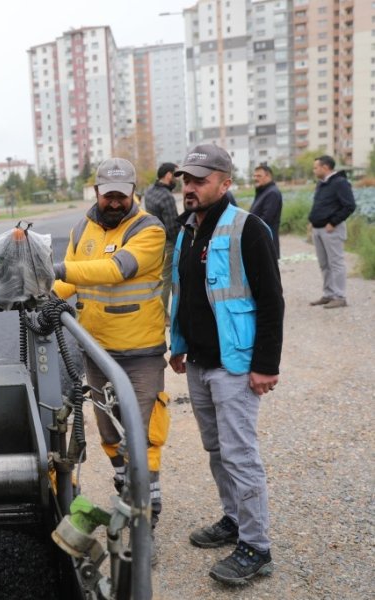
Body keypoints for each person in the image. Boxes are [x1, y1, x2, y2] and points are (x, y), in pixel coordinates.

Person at [168, 144, 284, 586]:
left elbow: (272, 302)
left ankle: (257, 547)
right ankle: (234, 520)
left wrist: (265, 365)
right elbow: (185, 295)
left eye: (200, 179)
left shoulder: (247, 229)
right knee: (217, 451)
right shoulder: (187, 231)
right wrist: (178, 345)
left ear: (225, 182)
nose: (190, 187)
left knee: (240, 455)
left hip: (235, 366)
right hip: (198, 362)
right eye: (187, 180)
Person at [52, 157, 169, 557]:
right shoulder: (82, 227)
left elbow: (117, 269)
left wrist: (60, 268)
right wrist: (44, 299)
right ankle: (128, 494)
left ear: (134, 192)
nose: (115, 202)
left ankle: (145, 521)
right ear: (97, 191)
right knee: (110, 437)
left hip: (140, 355)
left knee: (142, 437)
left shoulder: (149, 230)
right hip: (98, 354)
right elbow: (67, 282)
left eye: (123, 195)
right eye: (109, 194)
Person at [308, 155, 356, 309]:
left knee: (336, 263)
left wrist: (333, 222)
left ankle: (340, 296)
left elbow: (349, 205)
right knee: (324, 264)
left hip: (332, 229)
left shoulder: (340, 183)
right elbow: (320, 205)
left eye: (316, 167)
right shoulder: (321, 184)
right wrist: (312, 221)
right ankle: (328, 294)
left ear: (325, 167)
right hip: (318, 229)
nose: (314, 170)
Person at [141, 162, 180, 321]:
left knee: (157, 278)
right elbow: (172, 226)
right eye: (176, 175)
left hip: (154, 240)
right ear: (169, 175)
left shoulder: (149, 191)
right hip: (168, 243)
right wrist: (181, 244)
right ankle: (163, 316)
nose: (178, 179)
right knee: (167, 280)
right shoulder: (166, 196)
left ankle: (156, 311)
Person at [250, 164, 283, 258]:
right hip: (260, 239)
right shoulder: (262, 191)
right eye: (255, 176)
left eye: (259, 176)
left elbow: (266, 219)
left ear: (268, 176)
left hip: (266, 240)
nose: (255, 178)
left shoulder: (272, 193)